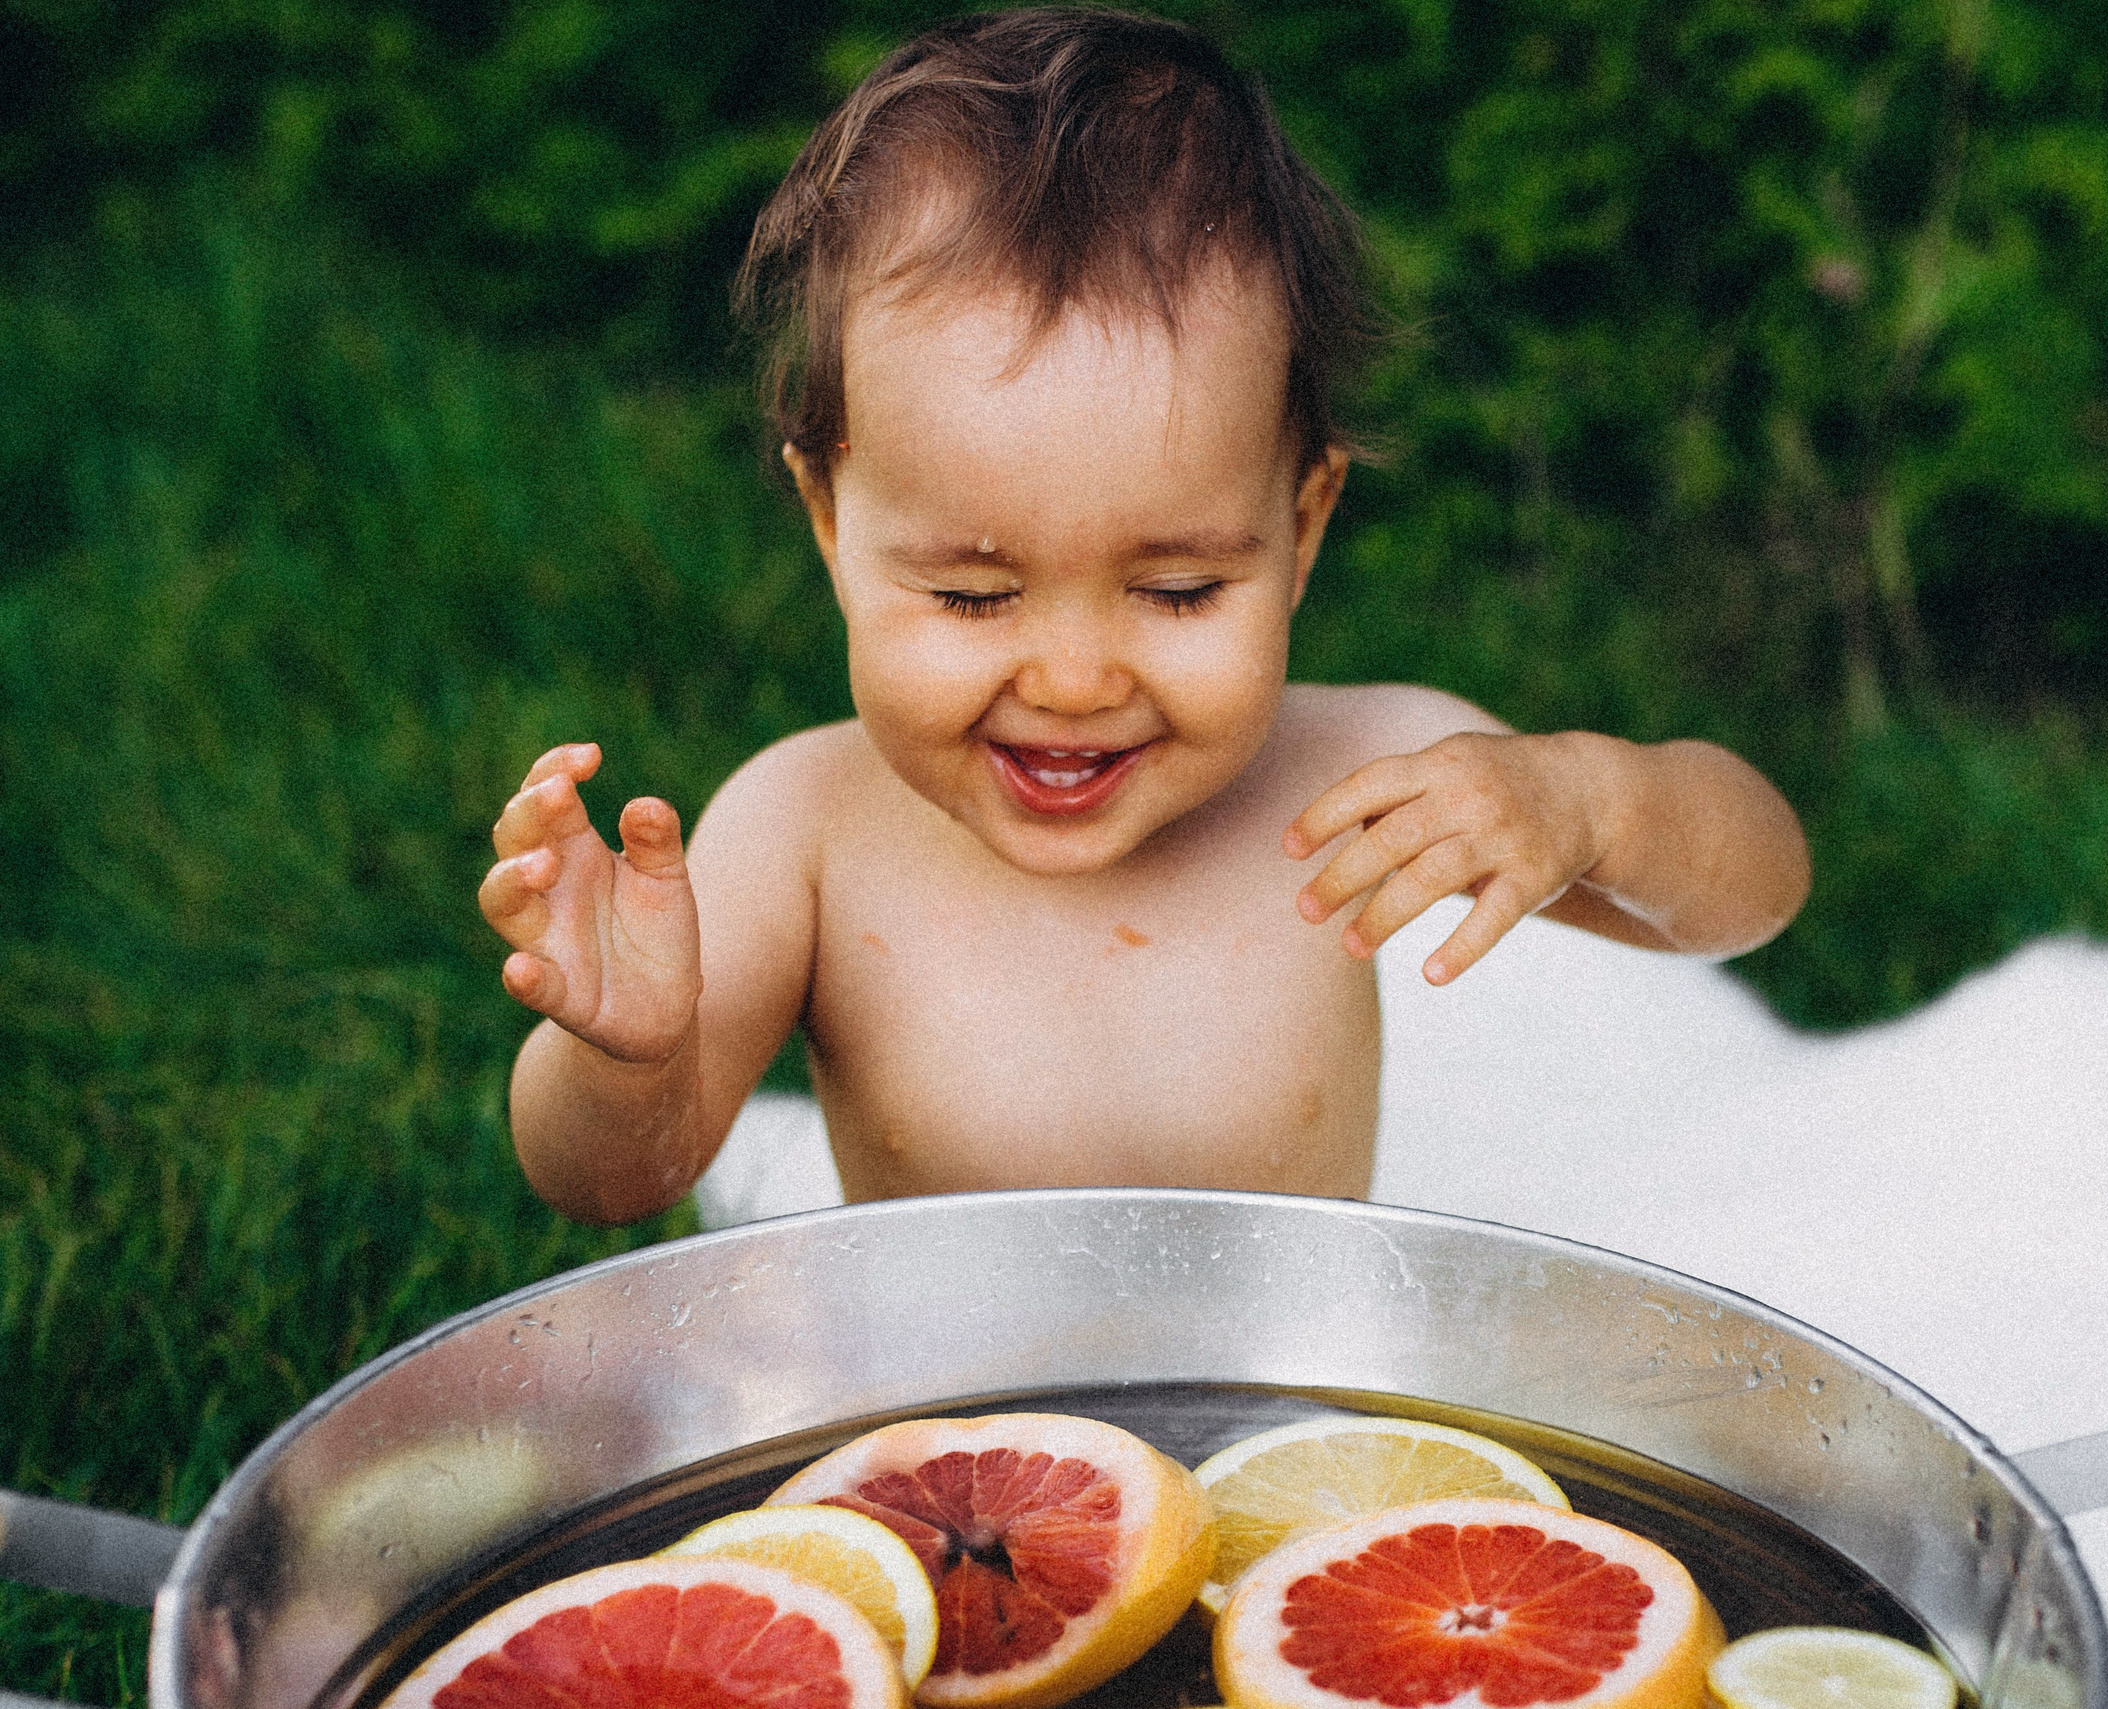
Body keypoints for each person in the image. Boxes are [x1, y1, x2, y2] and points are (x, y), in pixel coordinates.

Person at [476, 7, 1810, 1226]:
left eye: (1178, 591)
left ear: (1302, 527)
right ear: (831, 524)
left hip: (1276, 1407)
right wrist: (627, 1055)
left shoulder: (1362, 779)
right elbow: (612, 1183)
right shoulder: (808, 831)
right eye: (972, 595)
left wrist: (1591, 801)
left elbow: (1754, 893)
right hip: (962, 1414)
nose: (1072, 678)